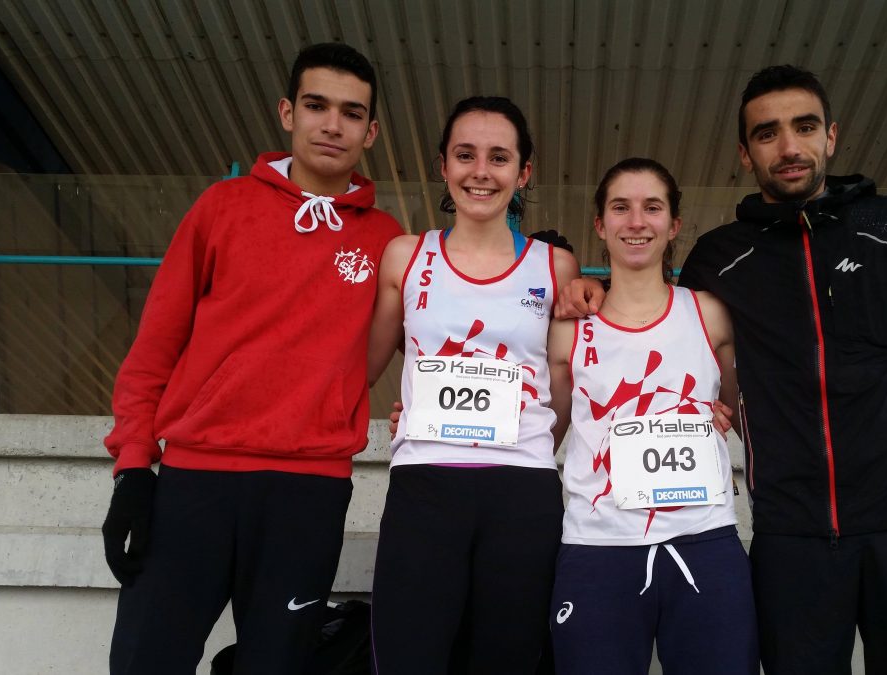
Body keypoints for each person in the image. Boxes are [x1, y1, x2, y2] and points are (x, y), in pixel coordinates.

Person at [558, 65, 887, 674]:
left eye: (803, 127)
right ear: (746, 155)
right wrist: (586, 289)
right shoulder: (721, 257)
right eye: (767, 133)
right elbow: (658, 312)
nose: (788, 146)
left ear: (830, 136)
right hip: (792, 532)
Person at [100, 42, 403, 673]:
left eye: (351, 113)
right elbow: (156, 346)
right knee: (144, 661)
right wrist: (133, 467)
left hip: (308, 491)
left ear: (370, 131)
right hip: (195, 481)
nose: (332, 124)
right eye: (317, 105)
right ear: (287, 113)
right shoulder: (222, 207)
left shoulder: (386, 241)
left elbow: (459, 320)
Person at [366, 95, 580, 674]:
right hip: (424, 488)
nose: (480, 171)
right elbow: (360, 367)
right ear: (443, 165)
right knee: (410, 655)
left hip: (523, 491)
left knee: (508, 659)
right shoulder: (404, 256)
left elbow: (563, 385)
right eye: (465, 155)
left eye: (499, 157)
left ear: (523, 172)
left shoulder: (556, 266)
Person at [547, 158, 758, 674]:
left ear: (674, 224)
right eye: (620, 207)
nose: (636, 221)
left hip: (704, 541)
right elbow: (539, 434)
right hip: (599, 549)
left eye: (652, 208)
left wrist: (718, 414)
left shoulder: (709, 312)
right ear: (600, 224)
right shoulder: (568, 330)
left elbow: (740, 406)